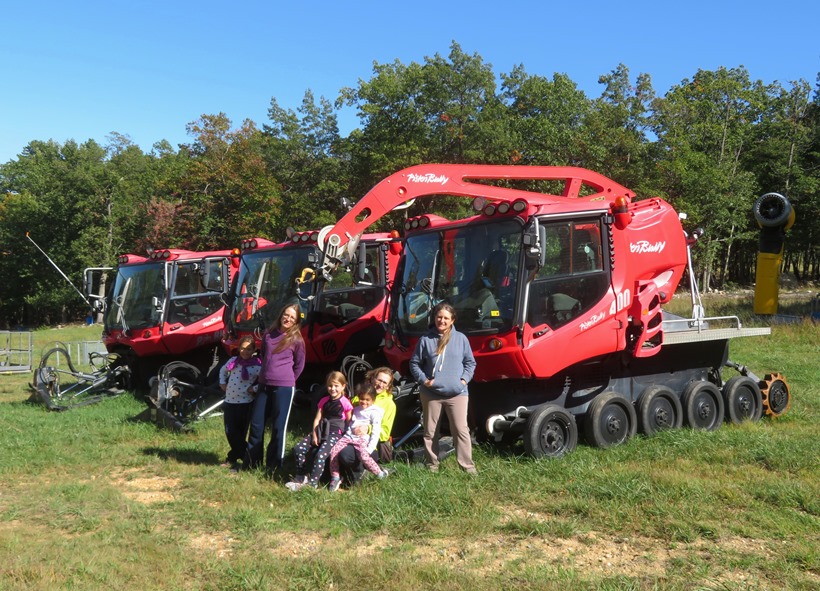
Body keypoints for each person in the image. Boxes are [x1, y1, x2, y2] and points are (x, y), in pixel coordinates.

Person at [409, 302, 477, 474]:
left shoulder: (461, 339)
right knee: (430, 431)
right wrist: (424, 381)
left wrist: (463, 381)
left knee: (461, 430)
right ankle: (432, 465)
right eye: (439, 317)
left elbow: (470, 363)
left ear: (452, 320)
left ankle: (467, 467)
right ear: (434, 318)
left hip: (458, 394)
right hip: (431, 394)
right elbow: (414, 364)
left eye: (446, 318)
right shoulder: (425, 340)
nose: (442, 320)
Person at [245, 303, 305, 472]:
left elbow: (299, 365)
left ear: (295, 322)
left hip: (284, 388)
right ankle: (251, 463)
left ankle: (274, 465)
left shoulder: (297, 340)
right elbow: (264, 355)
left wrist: (288, 380)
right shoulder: (269, 335)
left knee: (278, 427)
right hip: (264, 385)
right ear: (281, 315)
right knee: (256, 424)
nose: (288, 319)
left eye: (292, 317)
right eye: (286, 315)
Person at [287, 371, 353, 490]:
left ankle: (313, 483)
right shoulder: (324, 401)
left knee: (320, 455)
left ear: (343, 386)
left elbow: (349, 421)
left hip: (335, 433)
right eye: (330, 386)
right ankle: (301, 476)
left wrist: (346, 437)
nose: (332, 389)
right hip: (321, 429)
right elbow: (317, 419)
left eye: (336, 386)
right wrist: (315, 435)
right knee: (298, 448)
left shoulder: (345, 403)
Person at [335, 367, 397, 482]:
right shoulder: (359, 398)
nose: (380, 384)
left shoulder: (389, 405)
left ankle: (362, 475)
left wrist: (368, 429)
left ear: (388, 386)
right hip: (350, 437)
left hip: (371, 444)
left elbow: (385, 433)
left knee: (346, 455)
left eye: (384, 382)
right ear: (372, 379)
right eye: (379, 380)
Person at [327, 388, 389, 491]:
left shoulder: (375, 412)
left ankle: (380, 473)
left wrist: (371, 447)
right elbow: (349, 423)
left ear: (373, 400)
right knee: (333, 451)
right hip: (349, 436)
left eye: (367, 400)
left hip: (362, 439)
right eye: (362, 399)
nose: (364, 402)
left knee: (364, 456)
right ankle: (335, 476)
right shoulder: (355, 409)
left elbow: (376, 431)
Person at [218, 336, 262, 470]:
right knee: (230, 431)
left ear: (254, 350)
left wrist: (253, 388)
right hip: (229, 401)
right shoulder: (233, 361)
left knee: (240, 433)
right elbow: (223, 370)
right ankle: (246, 457)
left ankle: (233, 458)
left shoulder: (257, 365)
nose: (245, 352)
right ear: (239, 348)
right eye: (243, 348)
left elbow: (265, 381)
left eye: (249, 349)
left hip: (244, 403)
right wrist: (222, 382)